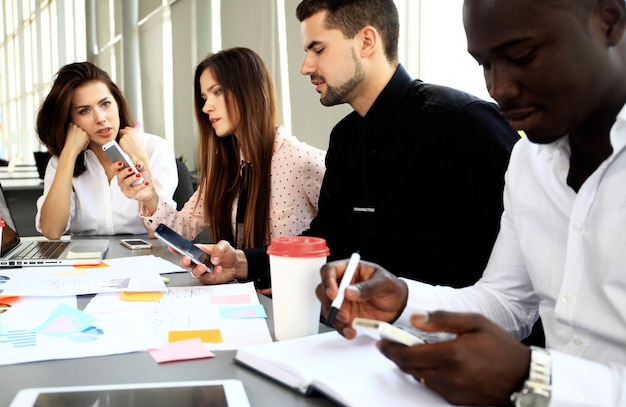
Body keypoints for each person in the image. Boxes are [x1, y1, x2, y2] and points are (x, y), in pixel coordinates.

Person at [315, 0, 626, 405]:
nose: (499, 89)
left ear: (609, 22)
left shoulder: (467, 123)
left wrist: (534, 378)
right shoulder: (529, 163)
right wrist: (403, 299)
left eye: (522, 56)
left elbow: (540, 376)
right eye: (485, 64)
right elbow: (505, 302)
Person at [183, 1, 519, 304]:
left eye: (318, 49)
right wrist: (241, 263)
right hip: (357, 339)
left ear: (366, 41)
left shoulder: (463, 123)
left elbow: (525, 265)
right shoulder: (345, 138)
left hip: (446, 345)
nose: (305, 67)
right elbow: (329, 241)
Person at [118, 47, 326, 293]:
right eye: (205, 97)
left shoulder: (303, 161)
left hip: (291, 304)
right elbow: (183, 228)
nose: (206, 107)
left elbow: (342, 241)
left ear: (248, 91)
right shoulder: (225, 167)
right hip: (240, 299)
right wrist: (150, 197)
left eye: (217, 92)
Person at [35, 62, 178, 239]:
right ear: (70, 119)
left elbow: (158, 232)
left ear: (117, 103)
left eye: (105, 104)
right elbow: (51, 231)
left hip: (148, 257)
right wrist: (69, 154)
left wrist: (139, 158)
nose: (100, 118)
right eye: (84, 110)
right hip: (86, 263)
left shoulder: (155, 148)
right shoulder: (61, 162)